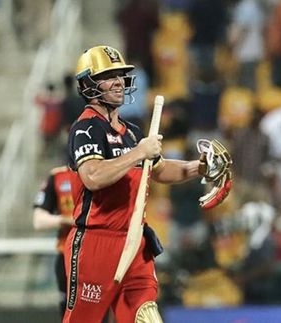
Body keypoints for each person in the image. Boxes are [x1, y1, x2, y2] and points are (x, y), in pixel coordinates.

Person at [63, 46, 211, 323]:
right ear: (88, 84)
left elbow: (161, 169)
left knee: (146, 317)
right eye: (109, 76)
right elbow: (92, 176)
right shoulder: (85, 128)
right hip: (96, 242)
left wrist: (199, 167)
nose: (119, 81)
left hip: (136, 241)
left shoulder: (132, 132)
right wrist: (139, 153)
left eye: (120, 74)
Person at [33, 166, 75, 318]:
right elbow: (38, 220)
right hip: (67, 257)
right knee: (69, 313)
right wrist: (67, 220)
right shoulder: (58, 176)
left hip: (102, 256)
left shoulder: (107, 169)